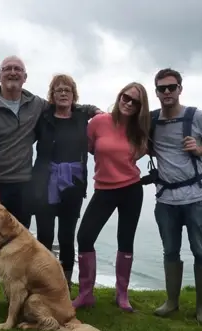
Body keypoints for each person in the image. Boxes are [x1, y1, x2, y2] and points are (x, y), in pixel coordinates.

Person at [0, 56, 101, 316]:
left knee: (17, 242)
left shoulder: (35, 105)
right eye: (7, 69)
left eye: (17, 69)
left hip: (25, 184)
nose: (12, 73)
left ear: (25, 77)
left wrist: (93, 110)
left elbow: (66, 105)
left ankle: (21, 289)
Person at [146, 68, 202, 326]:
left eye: (172, 87)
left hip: (198, 196)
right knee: (170, 251)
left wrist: (200, 148)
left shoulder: (196, 116)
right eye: (162, 88)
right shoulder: (150, 120)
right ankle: (172, 302)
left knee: (201, 252)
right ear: (156, 91)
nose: (167, 92)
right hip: (166, 199)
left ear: (180, 88)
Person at [71, 82, 151, 313]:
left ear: (140, 107)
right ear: (119, 96)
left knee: (125, 241)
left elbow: (162, 146)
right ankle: (86, 294)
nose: (128, 103)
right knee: (85, 237)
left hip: (132, 189)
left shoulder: (141, 129)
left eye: (135, 101)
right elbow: (83, 146)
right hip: (103, 189)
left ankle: (122, 295)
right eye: (126, 97)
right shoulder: (98, 122)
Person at [30, 74, 90, 290]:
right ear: (52, 95)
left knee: (66, 236)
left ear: (74, 95)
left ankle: (65, 284)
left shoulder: (82, 117)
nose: (63, 93)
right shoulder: (43, 118)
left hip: (73, 184)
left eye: (68, 90)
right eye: (59, 90)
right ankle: (44, 280)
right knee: (45, 235)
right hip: (44, 182)